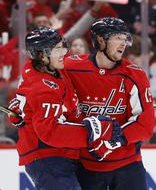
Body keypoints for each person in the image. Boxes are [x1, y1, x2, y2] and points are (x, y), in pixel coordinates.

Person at [7, 27, 123, 190]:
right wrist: (94, 132)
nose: (64, 53)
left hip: (63, 155)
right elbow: (51, 132)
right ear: (41, 55)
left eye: (63, 46)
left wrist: (24, 111)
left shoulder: (49, 69)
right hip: (48, 157)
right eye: (57, 49)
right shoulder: (43, 88)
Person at [64, 17, 155, 189]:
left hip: (128, 166)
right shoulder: (71, 67)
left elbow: (146, 125)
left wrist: (114, 139)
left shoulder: (135, 75)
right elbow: (42, 73)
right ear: (100, 40)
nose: (122, 44)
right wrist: (25, 98)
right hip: (86, 166)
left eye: (124, 39)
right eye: (117, 38)